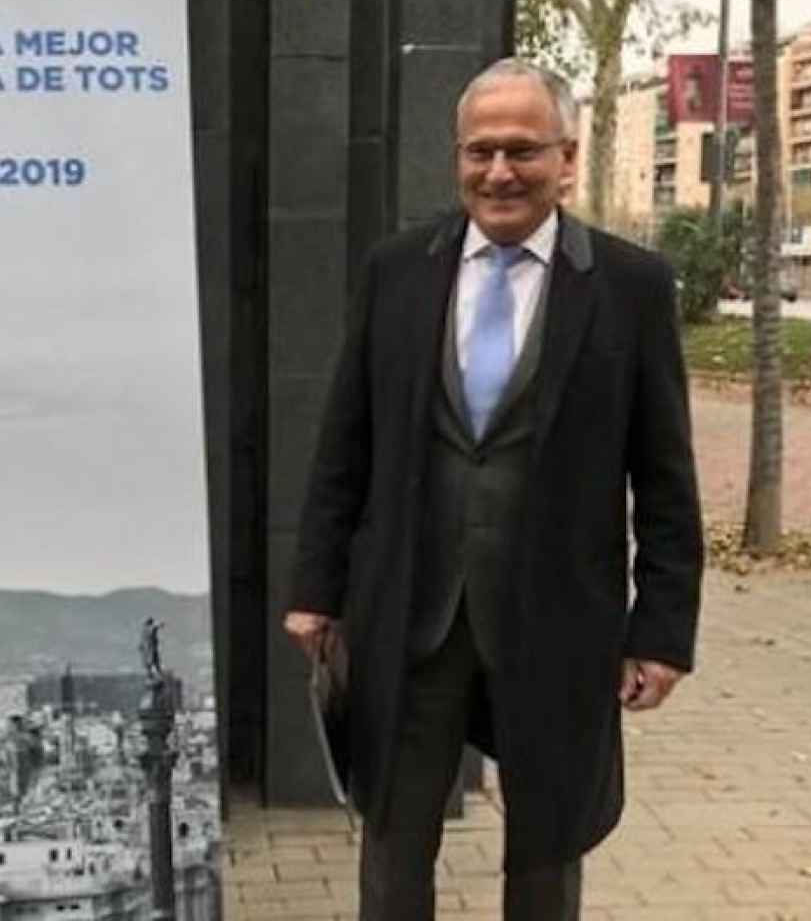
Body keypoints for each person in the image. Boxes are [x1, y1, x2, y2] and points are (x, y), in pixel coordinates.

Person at [283, 58, 704, 920]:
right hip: (412, 612)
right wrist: (315, 591)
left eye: (522, 150)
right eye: (480, 151)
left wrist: (661, 632)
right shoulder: (397, 272)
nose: (499, 172)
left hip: (558, 621)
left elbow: (665, 477)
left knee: (547, 848)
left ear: (567, 158)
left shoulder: (629, 289)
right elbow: (344, 445)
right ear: (457, 157)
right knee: (394, 841)